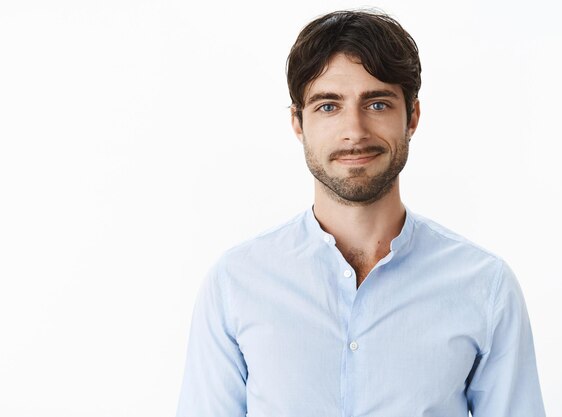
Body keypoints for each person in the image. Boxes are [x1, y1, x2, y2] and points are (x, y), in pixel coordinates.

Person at [175, 10, 546, 417]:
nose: (355, 130)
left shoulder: (485, 288)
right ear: (298, 123)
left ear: (413, 117)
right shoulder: (235, 284)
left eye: (377, 103)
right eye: (328, 106)